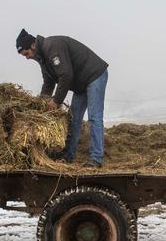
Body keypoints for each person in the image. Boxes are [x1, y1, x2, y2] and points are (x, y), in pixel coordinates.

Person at [15, 29, 109, 167]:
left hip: (94, 75)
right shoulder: (42, 58)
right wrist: (40, 104)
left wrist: (56, 101)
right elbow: (48, 83)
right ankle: (68, 155)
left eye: (26, 54)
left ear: (33, 46)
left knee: (94, 117)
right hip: (80, 84)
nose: (27, 58)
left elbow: (66, 75)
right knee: (74, 119)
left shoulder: (52, 46)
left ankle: (96, 159)